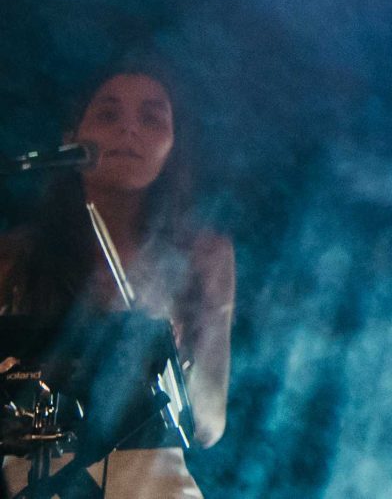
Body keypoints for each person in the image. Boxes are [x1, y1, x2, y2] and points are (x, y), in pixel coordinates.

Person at [0, 68, 232, 499]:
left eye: (151, 118)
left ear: (174, 144)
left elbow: (209, 424)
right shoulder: (13, 255)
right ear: (72, 136)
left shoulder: (205, 255)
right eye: (108, 115)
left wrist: (172, 367)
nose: (129, 129)